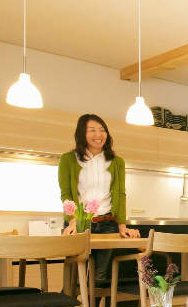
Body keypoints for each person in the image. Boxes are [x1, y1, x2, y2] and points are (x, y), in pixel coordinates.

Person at [58, 114, 140, 288]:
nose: (98, 134)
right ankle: (68, 306)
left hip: (107, 224)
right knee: (74, 277)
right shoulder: (68, 159)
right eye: (92, 130)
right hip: (79, 224)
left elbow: (121, 195)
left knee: (99, 278)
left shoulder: (117, 162)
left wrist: (122, 226)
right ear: (82, 134)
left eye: (102, 130)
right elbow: (66, 194)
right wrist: (72, 221)